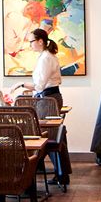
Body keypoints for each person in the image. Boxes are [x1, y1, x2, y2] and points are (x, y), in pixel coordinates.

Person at [28, 28, 71, 186]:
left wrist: (22, 85)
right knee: (51, 136)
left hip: (49, 99)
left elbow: (40, 85)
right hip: (48, 98)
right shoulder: (44, 57)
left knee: (51, 136)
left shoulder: (46, 58)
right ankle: (61, 173)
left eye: (31, 41)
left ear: (40, 41)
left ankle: (61, 174)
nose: (30, 45)